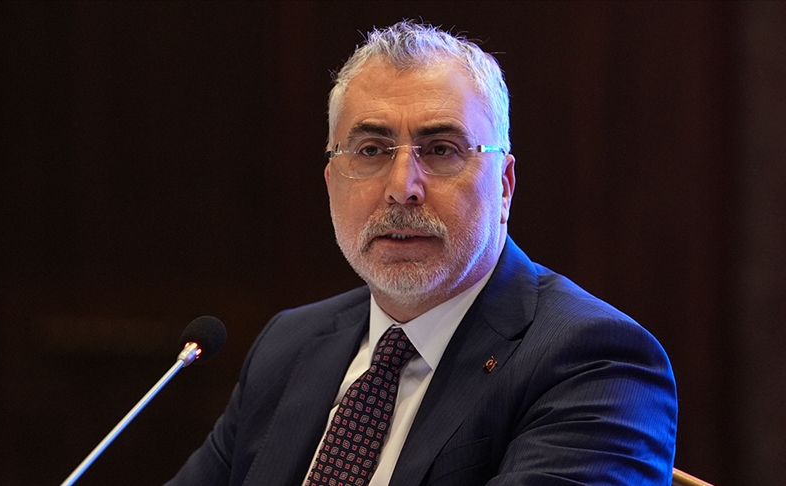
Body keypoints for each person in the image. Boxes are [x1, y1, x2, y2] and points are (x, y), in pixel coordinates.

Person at [166, 20, 677, 486]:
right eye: (370, 151)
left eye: (441, 150)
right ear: (331, 183)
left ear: (503, 186)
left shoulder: (594, 362)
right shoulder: (289, 345)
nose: (401, 187)